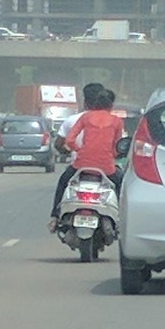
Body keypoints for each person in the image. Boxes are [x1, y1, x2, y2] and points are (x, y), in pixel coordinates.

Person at [48, 87, 123, 229]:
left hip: (81, 165)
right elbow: (117, 146)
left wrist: (79, 150)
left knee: (63, 182)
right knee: (122, 184)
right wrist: (111, 154)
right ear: (111, 105)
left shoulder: (85, 117)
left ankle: (55, 217)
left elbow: (69, 140)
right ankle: (121, 218)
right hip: (107, 167)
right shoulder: (116, 121)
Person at [55, 81, 106, 164]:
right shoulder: (113, 120)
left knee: (64, 177)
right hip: (105, 167)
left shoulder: (72, 120)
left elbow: (58, 144)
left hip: (78, 165)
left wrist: (73, 151)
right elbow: (118, 146)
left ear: (85, 101)